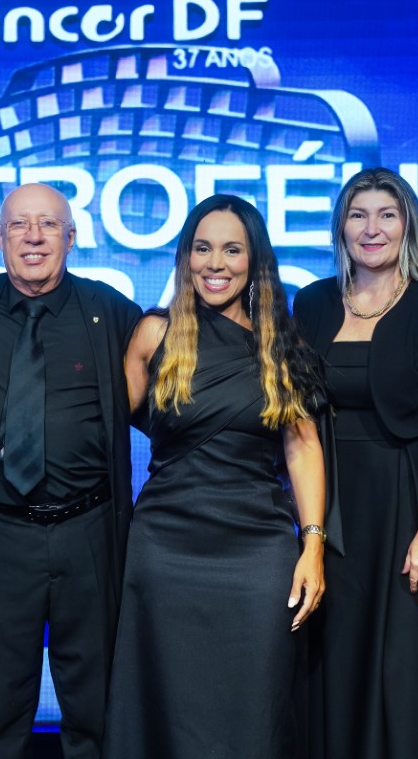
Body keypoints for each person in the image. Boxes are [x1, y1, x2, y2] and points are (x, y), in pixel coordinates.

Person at [105, 193, 326, 758]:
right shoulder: (153, 335)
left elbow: (303, 448)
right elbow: (112, 426)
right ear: (185, 257)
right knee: (167, 705)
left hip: (257, 550)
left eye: (232, 250)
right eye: (202, 248)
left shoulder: (281, 344)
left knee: (253, 705)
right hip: (165, 548)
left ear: (255, 261)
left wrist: (313, 545)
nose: (215, 263)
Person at [292, 168, 418, 758]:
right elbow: (297, 419)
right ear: (341, 227)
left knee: (412, 667)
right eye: (358, 215)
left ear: (408, 226)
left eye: (387, 215)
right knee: (337, 661)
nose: (371, 229)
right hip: (331, 508)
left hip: (410, 508)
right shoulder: (313, 302)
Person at [0, 182, 141, 759]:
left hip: (89, 531)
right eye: (19, 225)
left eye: (49, 224)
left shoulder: (113, 312)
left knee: (94, 704)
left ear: (72, 237)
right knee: (1, 707)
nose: (33, 237)